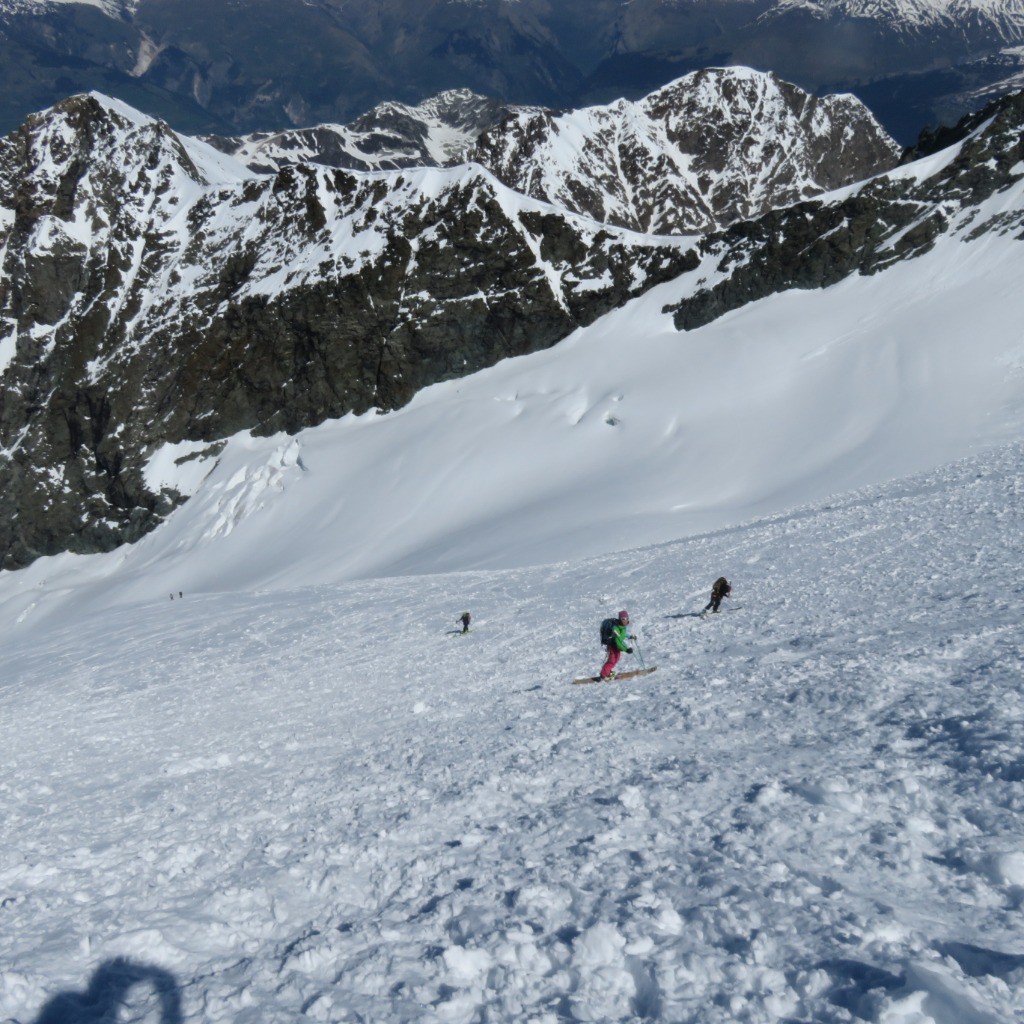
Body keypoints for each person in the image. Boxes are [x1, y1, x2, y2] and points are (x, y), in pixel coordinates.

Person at [599, 610, 635, 680]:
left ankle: (608, 671)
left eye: (626, 618)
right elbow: (618, 641)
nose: (625, 620)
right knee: (612, 660)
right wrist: (626, 650)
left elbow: (623, 634)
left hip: (616, 647)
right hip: (612, 646)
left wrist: (630, 636)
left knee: (616, 659)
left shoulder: (622, 627)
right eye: (623, 618)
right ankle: (604, 675)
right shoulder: (615, 628)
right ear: (620, 619)